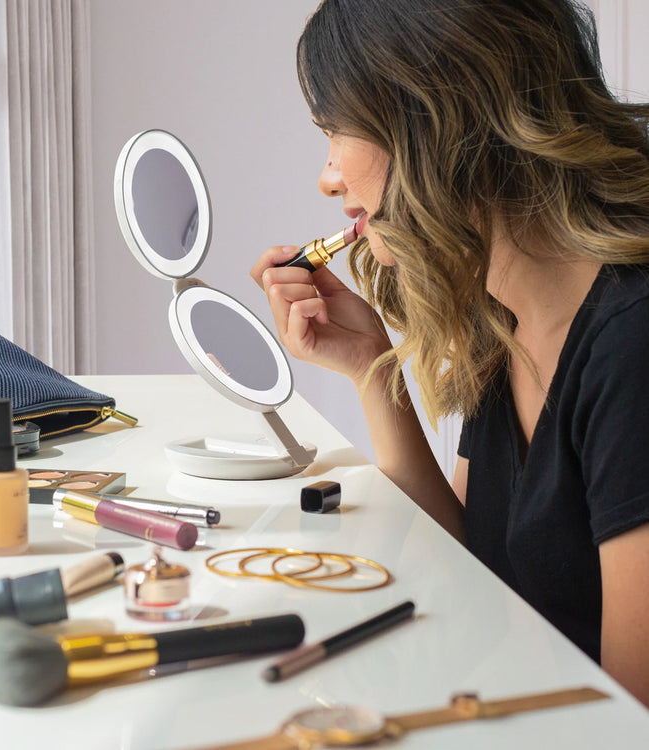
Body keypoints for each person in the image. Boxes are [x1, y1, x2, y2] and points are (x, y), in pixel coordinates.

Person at [250, 0, 649, 707]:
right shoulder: (505, 322)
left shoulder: (631, 347)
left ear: (434, 119)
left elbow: (629, 717)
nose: (329, 176)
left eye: (336, 130)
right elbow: (470, 570)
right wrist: (369, 361)